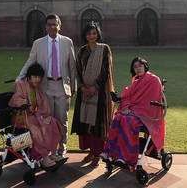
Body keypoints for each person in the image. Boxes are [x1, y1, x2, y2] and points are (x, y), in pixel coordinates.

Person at [16, 14, 76, 157]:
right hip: (45, 87)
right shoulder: (39, 43)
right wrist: (19, 79)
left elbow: (72, 66)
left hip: (63, 85)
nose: (52, 27)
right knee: (47, 120)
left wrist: (73, 86)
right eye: (49, 24)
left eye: (55, 24)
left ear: (59, 26)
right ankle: (51, 148)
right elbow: (30, 62)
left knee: (62, 118)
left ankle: (62, 147)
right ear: (45, 27)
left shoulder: (67, 42)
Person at [101, 57, 165, 171]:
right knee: (118, 117)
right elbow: (128, 96)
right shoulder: (136, 80)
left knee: (127, 120)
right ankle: (109, 153)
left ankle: (125, 157)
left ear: (145, 66)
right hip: (134, 111)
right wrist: (126, 108)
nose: (138, 68)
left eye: (140, 66)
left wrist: (132, 110)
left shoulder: (154, 80)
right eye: (135, 67)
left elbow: (151, 102)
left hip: (146, 114)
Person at [71, 22, 115, 168]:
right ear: (85, 35)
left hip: (99, 92)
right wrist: (82, 87)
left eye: (94, 33)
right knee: (85, 122)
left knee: (97, 123)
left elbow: (105, 70)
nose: (91, 36)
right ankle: (91, 152)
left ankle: (97, 154)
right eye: (89, 33)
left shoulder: (104, 49)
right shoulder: (82, 51)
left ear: (98, 34)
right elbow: (77, 69)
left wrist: (94, 88)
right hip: (84, 93)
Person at [9, 63, 65, 168]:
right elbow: (16, 100)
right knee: (36, 130)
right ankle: (44, 158)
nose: (37, 79)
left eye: (39, 77)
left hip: (32, 116)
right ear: (29, 76)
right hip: (21, 118)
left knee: (52, 122)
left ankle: (51, 153)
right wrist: (24, 102)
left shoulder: (36, 89)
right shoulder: (20, 85)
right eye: (35, 76)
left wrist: (42, 116)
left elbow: (43, 104)